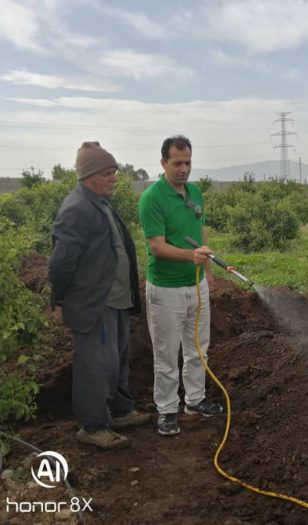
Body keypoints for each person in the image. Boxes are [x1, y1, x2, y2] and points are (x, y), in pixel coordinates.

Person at [49, 142, 150, 450]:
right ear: (88, 175)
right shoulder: (76, 209)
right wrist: (62, 297)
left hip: (115, 299)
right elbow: (61, 263)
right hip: (94, 303)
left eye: (114, 172)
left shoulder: (99, 202)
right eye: (107, 173)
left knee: (117, 357)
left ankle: (120, 411)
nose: (113, 178)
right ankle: (93, 427)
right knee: (96, 364)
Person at [138, 135, 222, 436]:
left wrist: (207, 270)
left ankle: (195, 400)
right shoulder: (152, 199)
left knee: (198, 349)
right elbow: (157, 247)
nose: (184, 169)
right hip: (166, 290)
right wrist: (192, 256)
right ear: (163, 163)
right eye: (177, 163)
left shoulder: (195, 192)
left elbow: (200, 231)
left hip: (196, 285)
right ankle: (167, 410)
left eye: (188, 162)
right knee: (166, 354)